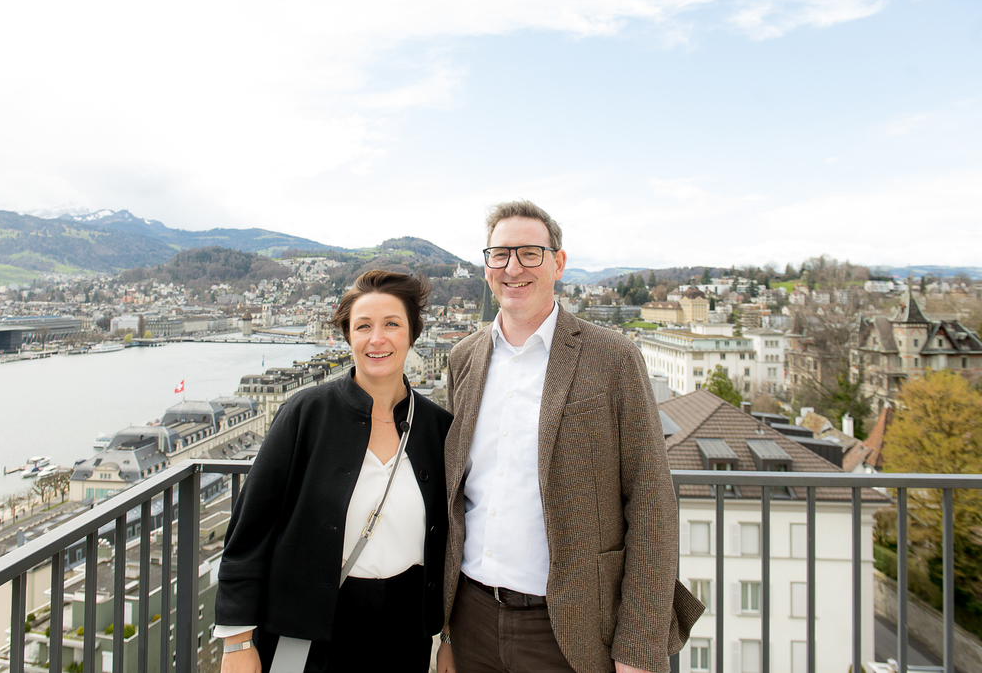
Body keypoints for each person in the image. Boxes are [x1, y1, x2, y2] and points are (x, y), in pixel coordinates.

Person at [437, 201, 705, 673]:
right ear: (485, 267)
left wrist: (638, 649)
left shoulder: (613, 357)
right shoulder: (464, 359)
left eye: (530, 253)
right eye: (500, 255)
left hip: (572, 628)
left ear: (558, 264)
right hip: (471, 616)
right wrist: (447, 633)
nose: (513, 268)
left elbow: (651, 500)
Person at [214, 269, 452, 673]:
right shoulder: (305, 414)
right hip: (311, 633)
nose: (377, 339)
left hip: (405, 634)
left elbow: (451, 539)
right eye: (363, 326)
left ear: (413, 334)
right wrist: (237, 643)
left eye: (392, 324)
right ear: (349, 338)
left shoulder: (437, 427)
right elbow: (249, 532)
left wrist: (447, 635)